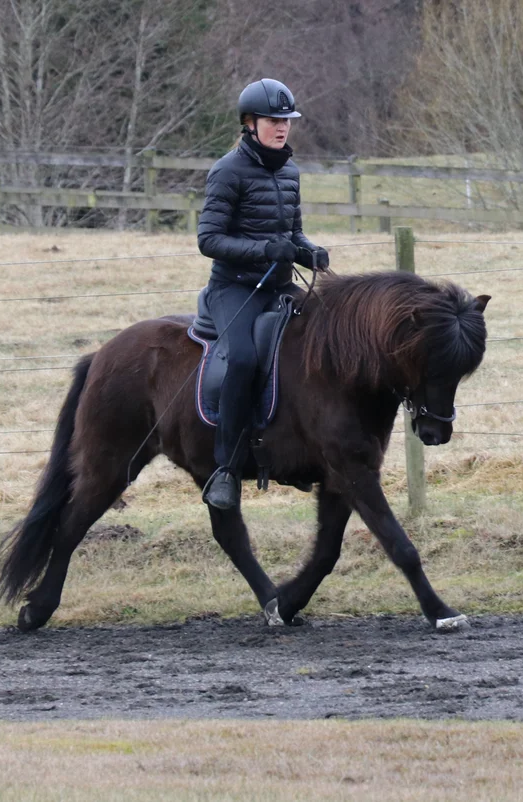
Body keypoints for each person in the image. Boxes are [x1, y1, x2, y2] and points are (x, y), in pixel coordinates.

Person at [196, 78, 330, 509]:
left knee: (322, 340)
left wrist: (310, 253)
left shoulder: (289, 171)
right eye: (274, 120)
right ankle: (226, 469)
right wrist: (263, 250)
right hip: (234, 289)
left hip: (278, 286)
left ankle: (303, 448)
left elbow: (293, 233)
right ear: (250, 123)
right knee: (245, 358)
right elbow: (209, 240)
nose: (282, 128)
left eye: (287, 121)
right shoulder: (227, 171)